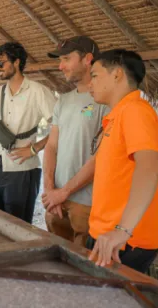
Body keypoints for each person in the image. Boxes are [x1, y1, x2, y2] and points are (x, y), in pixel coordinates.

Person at [87, 49, 158, 273]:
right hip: (110, 235)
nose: (90, 84)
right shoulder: (119, 115)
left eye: (95, 75)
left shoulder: (135, 111)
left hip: (124, 241)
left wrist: (123, 230)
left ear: (117, 74)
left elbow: (150, 168)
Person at [0, 42, 56, 224]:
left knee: (17, 223)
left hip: (23, 168)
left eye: (1, 63)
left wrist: (34, 148)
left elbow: (61, 125)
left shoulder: (37, 91)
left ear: (16, 62)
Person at [40, 36, 108, 246]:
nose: (60, 66)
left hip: (87, 202)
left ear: (87, 59)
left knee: (83, 261)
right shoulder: (64, 100)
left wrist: (64, 192)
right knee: (55, 255)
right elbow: (51, 146)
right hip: (56, 201)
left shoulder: (105, 100)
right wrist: (50, 190)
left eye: (67, 59)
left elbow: (102, 156)